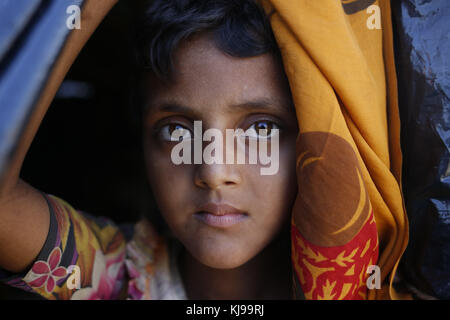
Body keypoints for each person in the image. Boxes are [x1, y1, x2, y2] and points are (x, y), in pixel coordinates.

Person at [0, 0, 299, 299]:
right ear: (142, 141)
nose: (214, 172)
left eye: (262, 129)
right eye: (177, 131)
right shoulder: (115, 275)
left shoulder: (340, 287)